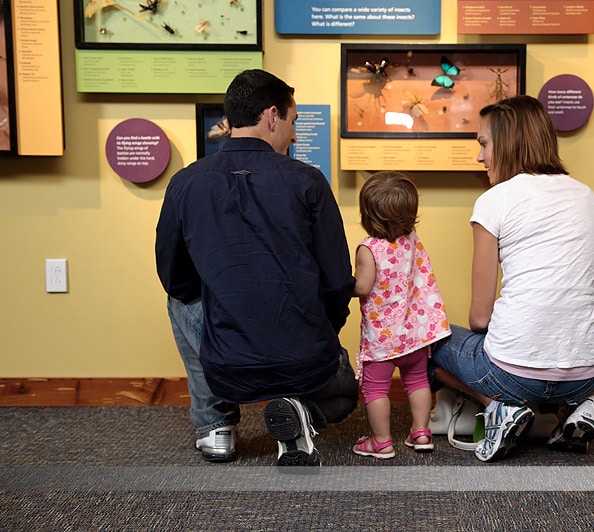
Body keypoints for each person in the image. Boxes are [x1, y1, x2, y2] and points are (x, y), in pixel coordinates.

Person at [156, 69, 358, 466]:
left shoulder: (184, 183)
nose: (296, 135)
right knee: (344, 395)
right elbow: (337, 280)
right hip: (306, 360)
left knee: (179, 301)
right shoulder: (309, 181)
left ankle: (215, 427)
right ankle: (300, 406)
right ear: (271, 116)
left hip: (227, 361)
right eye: (294, 121)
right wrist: (323, 335)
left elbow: (174, 277)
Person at [429, 95, 594, 462]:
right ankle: (574, 408)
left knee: (428, 338)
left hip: (513, 375)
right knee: (548, 362)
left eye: (484, 144)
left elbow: (479, 318)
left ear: (508, 143)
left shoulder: (495, 200)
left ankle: (499, 406)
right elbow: (590, 289)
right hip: (587, 372)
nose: (480, 157)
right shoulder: (586, 195)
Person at [350, 171, 451, 459]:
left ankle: (381, 441)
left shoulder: (368, 249)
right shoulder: (412, 241)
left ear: (367, 214)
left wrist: (345, 282)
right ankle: (420, 432)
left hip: (382, 340)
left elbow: (363, 286)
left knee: (376, 388)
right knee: (417, 380)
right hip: (415, 335)